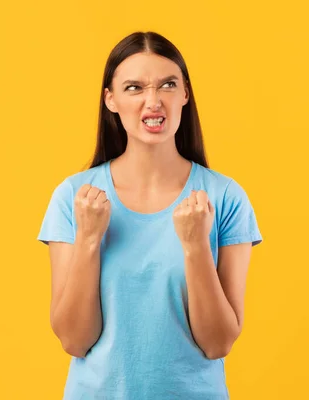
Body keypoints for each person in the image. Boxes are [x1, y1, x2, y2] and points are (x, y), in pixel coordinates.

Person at [37, 31, 263, 400]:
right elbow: (74, 340)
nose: (153, 101)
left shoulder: (225, 197)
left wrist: (195, 247)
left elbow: (218, 343)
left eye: (167, 85)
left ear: (185, 94)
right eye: (134, 88)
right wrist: (90, 239)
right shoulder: (74, 198)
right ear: (110, 99)